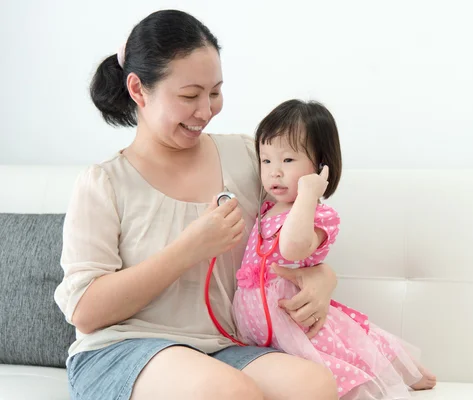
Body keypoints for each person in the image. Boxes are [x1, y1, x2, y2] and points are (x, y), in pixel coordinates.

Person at [54, 9, 340, 400]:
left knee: (315, 384)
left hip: (223, 347)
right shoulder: (103, 183)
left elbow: (291, 233)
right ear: (138, 90)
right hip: (123, 350)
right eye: (190, 96)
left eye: (215, 92)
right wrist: (190, 248)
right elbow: (85, 311)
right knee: (228, 391)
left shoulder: (248, 157)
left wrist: (323, 278)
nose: (206, 111)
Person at [229, 99, 437, 399]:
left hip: (296, 322)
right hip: (261, 329)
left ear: (321, 166)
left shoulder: (317, 216)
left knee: (350, 354)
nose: (274, 172)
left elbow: (291, 248)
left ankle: (403, 371)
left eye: (288, 161)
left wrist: (309, 194)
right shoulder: (263, 210)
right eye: (266, 161)